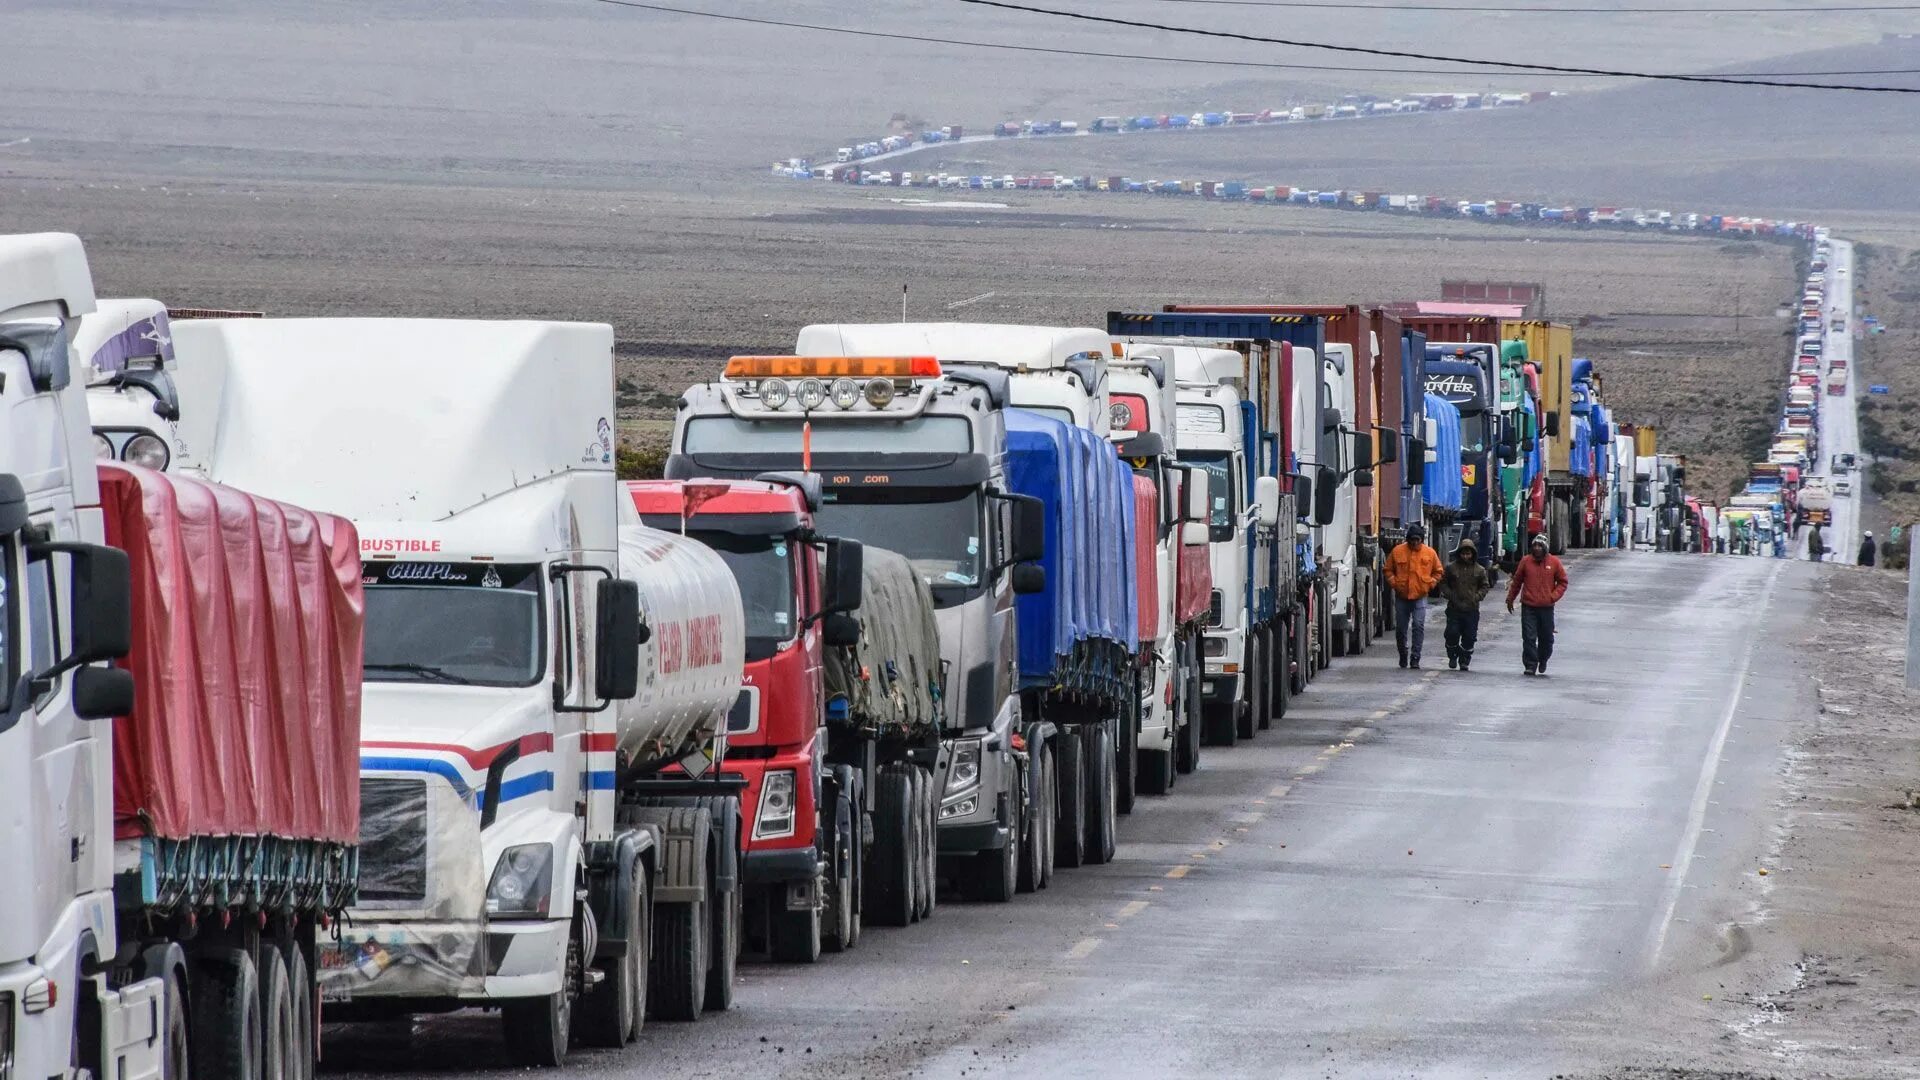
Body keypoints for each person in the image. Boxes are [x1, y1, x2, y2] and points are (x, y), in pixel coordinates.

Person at [1506, 533, 1569, 676]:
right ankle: (1530, 664)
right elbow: (1517, 582)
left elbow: (1563, 582)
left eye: (1540, 546)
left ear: (1545, 548)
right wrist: (1510, 599)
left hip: (1546, 608)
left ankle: (1543, 659)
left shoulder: (1554, 562)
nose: (1537, 548)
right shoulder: (1525, 561)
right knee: (1529, 637)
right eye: (1535, 545)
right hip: (1529, 606)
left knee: (1547, 639)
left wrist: (1552, 597)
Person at [1384, 523, 1445, 669]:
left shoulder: (1430, 553)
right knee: (1401, 628)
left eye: (1417, 540)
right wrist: (1395, 583)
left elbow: (1438, 571)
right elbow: (1388, 570)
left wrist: (1430, 584)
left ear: (1422, 540)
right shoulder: (1398, 551)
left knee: (1418, 626)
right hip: (1402, 597)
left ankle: (1416, 656)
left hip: (1420, 596)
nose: (1414, 542)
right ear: (1408, 539)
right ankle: (1403, 654)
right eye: (1412, 539)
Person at [1435, 537, 1491, 672]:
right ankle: (1452, 655)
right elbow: (1443, 583)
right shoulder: (1451, 568)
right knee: (1451, 633)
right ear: (1459, 553)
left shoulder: (1480, 570)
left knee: (1470, 637)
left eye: (1468, 554)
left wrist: (1476, 597)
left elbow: (1485, 586)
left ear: (1473, 554)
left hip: (1471, 610)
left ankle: (1465, 660)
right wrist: (1450, 595)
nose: (1466, 556)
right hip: (1454, 608)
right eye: (1463, 553)